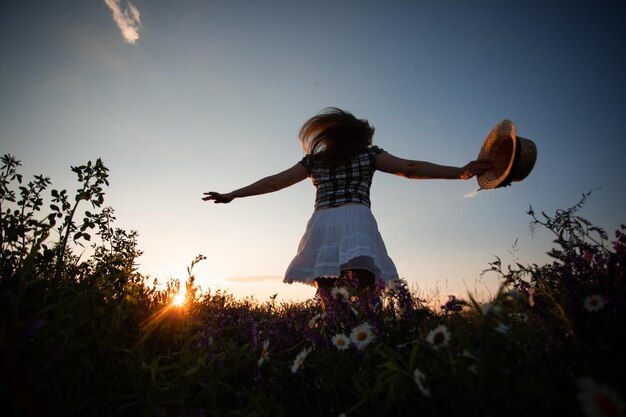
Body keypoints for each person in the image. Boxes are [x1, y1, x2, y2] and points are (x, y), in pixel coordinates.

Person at [203, 108, 491, 296]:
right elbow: (411, 169)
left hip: (322, 223)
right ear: (358, 137)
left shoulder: (315, 160)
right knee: (365, 294)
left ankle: (336, 346)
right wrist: (461, 173)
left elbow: (274, 182)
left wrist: (233, 194)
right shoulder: (369, 154)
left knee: (330, 298)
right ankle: (365, 348)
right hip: (356, 220)